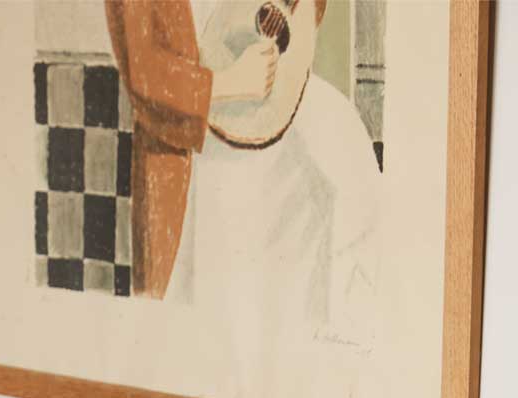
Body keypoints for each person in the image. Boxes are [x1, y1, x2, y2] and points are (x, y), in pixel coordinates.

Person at [105, 0, 381, 351]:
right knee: (191, 341)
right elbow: (144, 76)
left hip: (281, 156)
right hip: (188, 169)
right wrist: (229, 82)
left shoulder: (329, 125)